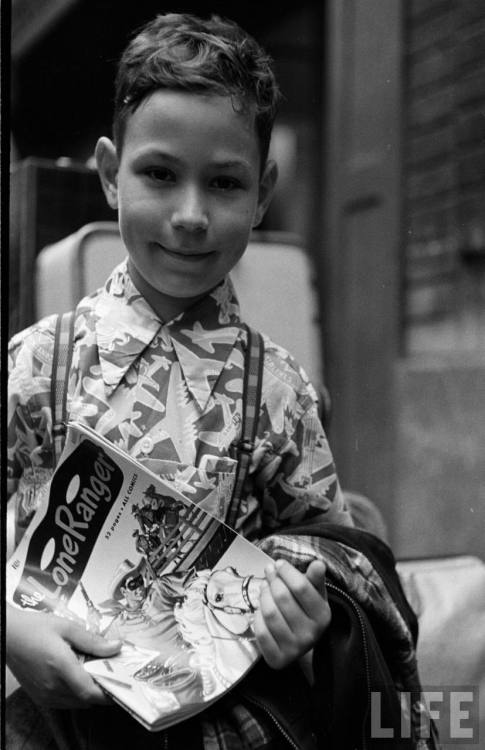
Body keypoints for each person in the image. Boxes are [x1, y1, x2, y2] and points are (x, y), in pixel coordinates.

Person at [6, 12, 430, 750]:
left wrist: (303, 614)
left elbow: (330, 551)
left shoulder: (280, 390)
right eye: (160, 174)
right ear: (110, 174)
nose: (191, 215)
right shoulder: (39, 360)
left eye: (224, 183)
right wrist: (10, 630)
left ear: (262, 193)